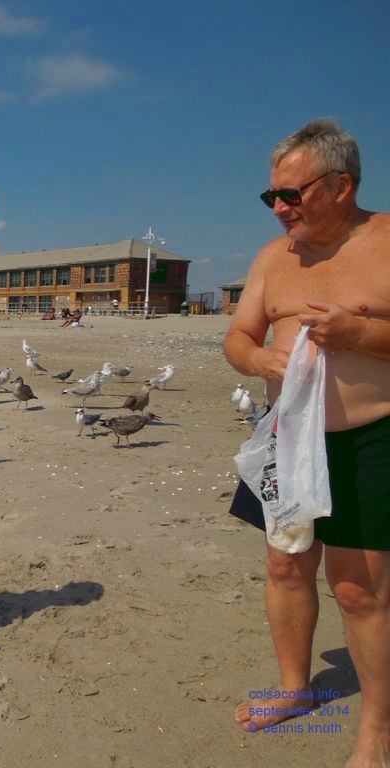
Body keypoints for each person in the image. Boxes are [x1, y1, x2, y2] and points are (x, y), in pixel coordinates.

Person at [224, 117, 390, 765]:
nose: (280, 208)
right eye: (272, 197)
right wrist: (259, 363)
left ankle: (375, 732)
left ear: (342, 185)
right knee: (286, 565)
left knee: (358, 589)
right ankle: (295, 688)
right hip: (285, 437)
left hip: (370, 438)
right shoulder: (273, 259)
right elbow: (238, 338)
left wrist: (361, 335)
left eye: (292, 195)